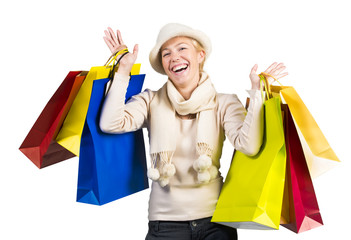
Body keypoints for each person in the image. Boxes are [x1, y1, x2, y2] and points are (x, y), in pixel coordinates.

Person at [100, 23, 288, 240]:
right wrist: (123, 70)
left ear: (200, 55)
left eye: (182, 49)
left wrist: (257, 93)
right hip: (165, 226)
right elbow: (111, 123)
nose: (174, 57)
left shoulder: (224, 103)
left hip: (216, 223)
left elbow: (249, 145)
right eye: (166, 53)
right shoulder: (150, 100)